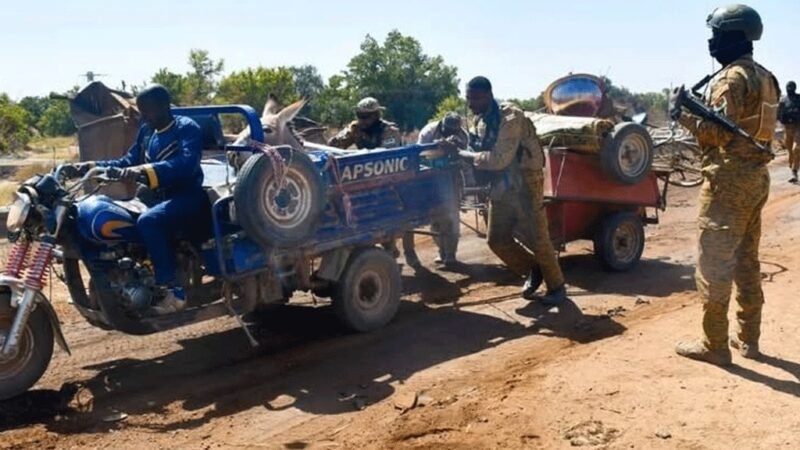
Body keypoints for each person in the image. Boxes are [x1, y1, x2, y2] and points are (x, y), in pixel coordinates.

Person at [673, 4, 780, 365]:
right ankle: (748, 339)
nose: (712, 41)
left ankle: (714, 345)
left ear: (734, 36)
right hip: (756, 178)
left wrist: (682, 114)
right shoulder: (766, 77)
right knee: (747, 261)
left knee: (714, 264)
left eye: (717, 34)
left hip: (728, 182)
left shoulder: (730, 79)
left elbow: (716, 133)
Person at [65, 84, 208, 315]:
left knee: (149, 222)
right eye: (141, 110)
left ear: (165, 106)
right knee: (115, 215)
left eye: (148, 110)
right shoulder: (147, 131)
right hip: (152, 196)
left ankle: (174, 292)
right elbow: (127, 161)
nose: (144, 116)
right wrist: (88, 167)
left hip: (186, 195)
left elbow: (186, 164)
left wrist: (144, 170)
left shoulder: (186, 128)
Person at [459, 76, 566, 305]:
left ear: (488, 95)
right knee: (496, 239)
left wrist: (464, 155)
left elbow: (498, 159)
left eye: (475, 98)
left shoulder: (510, 116)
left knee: (538, 238)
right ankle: (533, 270)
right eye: (468, 98)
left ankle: (557, 286)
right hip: (502, 182)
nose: (470, 103)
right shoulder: (481, 119)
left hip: (526, 180)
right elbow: (479, 149)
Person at [413, 112, 469, 267]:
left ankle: (450, 254)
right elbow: (421, 153)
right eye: (447, 130)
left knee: (451, 216)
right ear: (442, 125)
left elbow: (465, 154)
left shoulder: (462, 135)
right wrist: (440, 149)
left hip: (450, 176)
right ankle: (441, 251)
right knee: (434, 216)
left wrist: (455, 148)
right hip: (429, 177)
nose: (449, 133)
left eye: (453, 131)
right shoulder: (428, 132)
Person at [328, 97, 403, 150]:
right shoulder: (355, 128)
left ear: (376, 116)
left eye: (365, 116)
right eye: (359, 115)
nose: (361, 120)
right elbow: (333, 146)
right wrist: (336, 141)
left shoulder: (390, 131)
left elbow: (387, 156)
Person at [778, 81, 800, 182]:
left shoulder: (799, 98)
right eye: (788, 86)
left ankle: (795, 171)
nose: (789, 88)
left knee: (796, 149)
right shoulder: (783, 100)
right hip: (787, 128)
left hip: (798, 127)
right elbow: (778, 113)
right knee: (790, 151)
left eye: (791, 87)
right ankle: (793, 167)